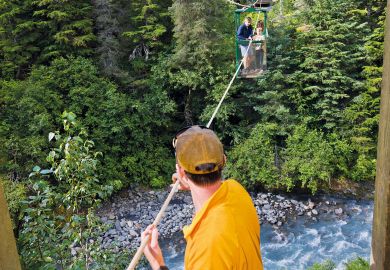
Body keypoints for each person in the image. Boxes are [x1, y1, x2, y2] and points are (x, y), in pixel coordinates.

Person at [141, 125, 264, 270]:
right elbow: (210, 196)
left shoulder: (205, 247)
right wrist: (188, 183)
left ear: (180, 172)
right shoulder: (236, 190)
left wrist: (158, 264)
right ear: (224, 160)